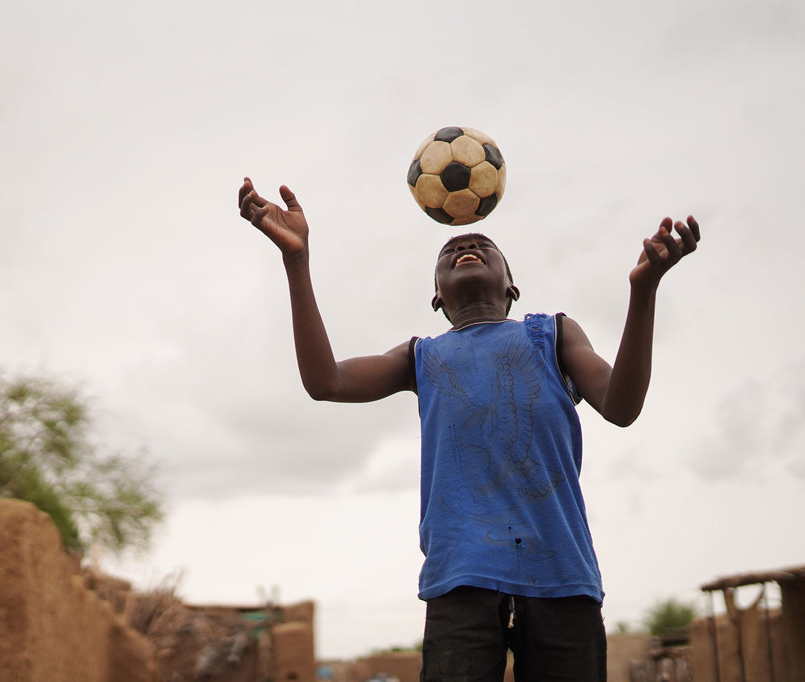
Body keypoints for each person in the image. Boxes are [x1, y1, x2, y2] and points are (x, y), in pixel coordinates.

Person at [237, 176, 700, 681]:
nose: (465, 245)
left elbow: (622, 404)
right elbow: (326, 380)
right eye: (450, 250)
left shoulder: (552, 334)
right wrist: (296, 262)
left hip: (560, 574)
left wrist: (644, 292)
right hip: (462, 576)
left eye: (483, 244)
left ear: (512, 288)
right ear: (436, 297)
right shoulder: (421, 357)